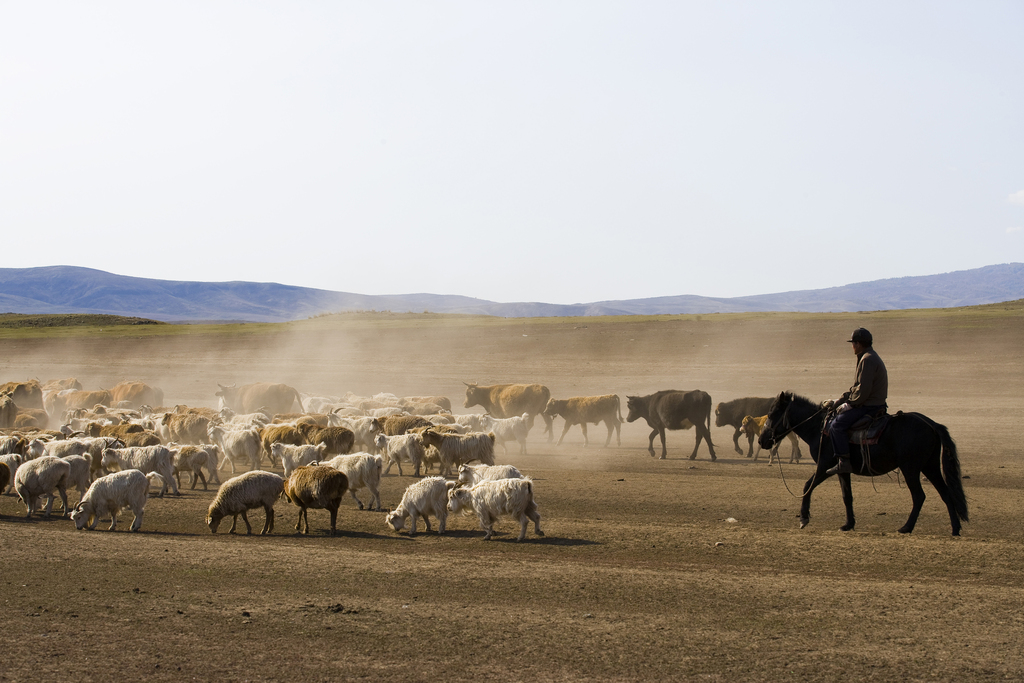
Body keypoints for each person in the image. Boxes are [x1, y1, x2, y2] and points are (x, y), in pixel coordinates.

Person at [824, 327, 888, 476]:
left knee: (836, 426)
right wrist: (841, 399)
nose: (852, 346)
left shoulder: (867, 360)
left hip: (868, 406)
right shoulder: (869, 356)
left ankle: (843, 462)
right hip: (871, 403)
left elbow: (863, 391)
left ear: (858, 344)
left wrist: (850, 404)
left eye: (853, 343)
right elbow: (857, 388)